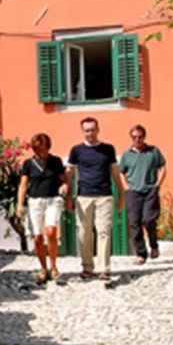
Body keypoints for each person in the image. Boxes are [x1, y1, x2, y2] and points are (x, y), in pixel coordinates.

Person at [66, 117, 127, 281]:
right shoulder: (76, 150)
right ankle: (87, 266)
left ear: (98, 130)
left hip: (104, 195)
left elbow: (115, 173)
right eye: (86, 130)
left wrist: (121, 194)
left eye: (92, 130)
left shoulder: (108, 149)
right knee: (84, 233)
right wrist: (68, 196)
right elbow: (69, 174)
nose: (90, 133)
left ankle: (103, 268)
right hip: (83, 196)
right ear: (82, 132)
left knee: (104, 231)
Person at [15, 133, 69, 284]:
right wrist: (19, 205)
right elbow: (23, 185)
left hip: (53, 199)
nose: (41, 152)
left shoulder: (56, 161)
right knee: (38, 237)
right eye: (38, 149)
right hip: (35, 201)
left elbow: (63, 180)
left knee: (51, 231)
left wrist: (64, 187)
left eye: (44, 149)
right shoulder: (28, 164)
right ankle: (43, 268)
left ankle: (53, 266)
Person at [118, 124, 166, 265]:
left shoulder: (153, 151)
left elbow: (162, 167)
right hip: (133, 191)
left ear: (144, 137)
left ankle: (153, 245)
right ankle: (141, 254)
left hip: (150, 189)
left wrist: (158, 184)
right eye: (134, 137)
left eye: (140, 137)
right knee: (134, 223)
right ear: (131, 138)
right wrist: (126, 187)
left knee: (149, 219)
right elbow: (121, 171)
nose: (137, 140)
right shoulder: (127, 155)